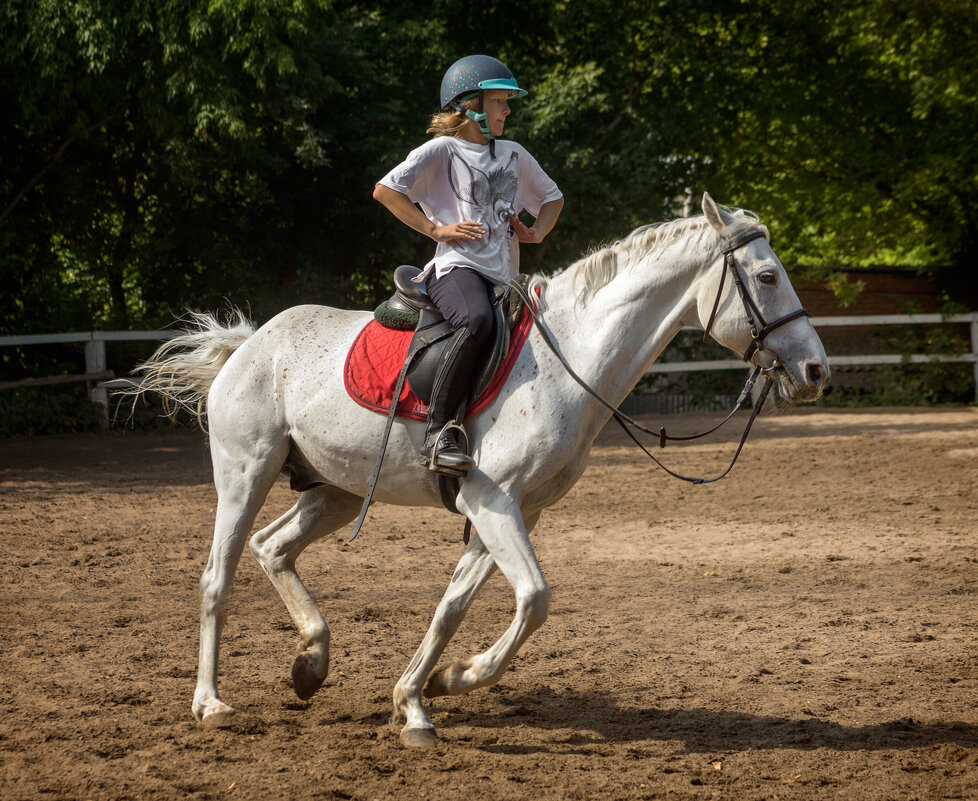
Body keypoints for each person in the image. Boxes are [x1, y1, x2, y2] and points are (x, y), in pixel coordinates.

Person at [373, 54, 564, 475]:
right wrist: (435, 230)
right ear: (471, 104)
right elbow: (386, 191)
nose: (508, 110)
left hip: (506, 279)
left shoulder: (514, 153)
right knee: (476, 320)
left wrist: (538, 232)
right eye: (500, 101)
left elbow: (552, 198)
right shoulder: (441, 149)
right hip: (456, 268)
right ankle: (438, 432)